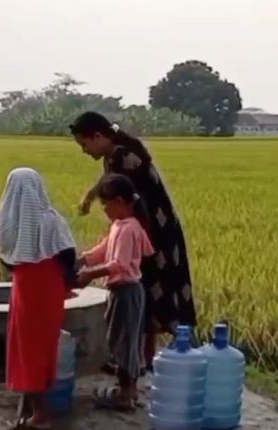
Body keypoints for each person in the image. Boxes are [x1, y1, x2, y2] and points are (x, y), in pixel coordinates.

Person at [69, 111, 197, 373]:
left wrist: (91, 269)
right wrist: (90, 196)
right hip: (156, 229)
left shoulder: (121, 158)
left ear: (98, 136)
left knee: (145, 290)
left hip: (153, 230)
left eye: (85, 144)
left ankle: (134, 362)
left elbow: (119, 262)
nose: (84, 150)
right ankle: (143, 360)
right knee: (150, 291)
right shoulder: (119, 151)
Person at [0, 167, 77, 430]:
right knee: (44, 346)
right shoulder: (52, 220)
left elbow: (7, 258)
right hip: (50, 287)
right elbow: (68, 257)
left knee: (25, 347)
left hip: (26, 286)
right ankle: (37, 412)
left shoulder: (6, 223)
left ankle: (39, 415)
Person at [78, 173, 155, 411]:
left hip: (127, 292)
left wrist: (90, 274)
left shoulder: (129, 229)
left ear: (120, 201)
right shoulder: (121, 226)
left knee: (124, 343)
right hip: (122, 292)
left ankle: (127, 393)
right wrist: (84, 259)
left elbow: (119, 264)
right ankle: (127, 389)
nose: (105, 210)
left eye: (106, 204)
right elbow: (104, 250)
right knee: (119, 340)